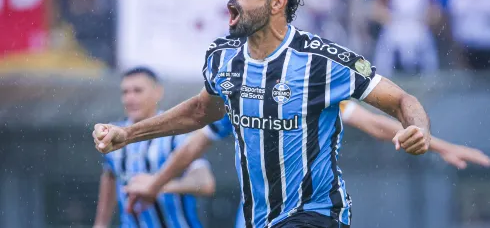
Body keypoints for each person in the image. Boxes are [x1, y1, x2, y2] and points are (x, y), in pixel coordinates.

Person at [93, 0, 433, 227]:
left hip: (318, 213)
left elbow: (402, 99)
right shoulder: (222, 58)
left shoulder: (322, 61)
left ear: (276, 3)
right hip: (260, 218)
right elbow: (200, 112)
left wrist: (418, 129)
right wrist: (128, 134)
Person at [124, 100, 490, 227]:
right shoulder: (236, 93)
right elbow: (192, 146)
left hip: (310, 213)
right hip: (257, 217)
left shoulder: (311, 84)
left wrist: (440, 145)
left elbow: (376, 124)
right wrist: (155, 185)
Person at [93, 67, 215, 228]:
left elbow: (205, 183)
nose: (130, 98)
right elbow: (110, 177)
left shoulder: (177, 134)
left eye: (138, 91)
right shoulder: (115, 133)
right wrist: (100, 224)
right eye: (125, 92)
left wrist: (157, 185)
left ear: (158, 92)